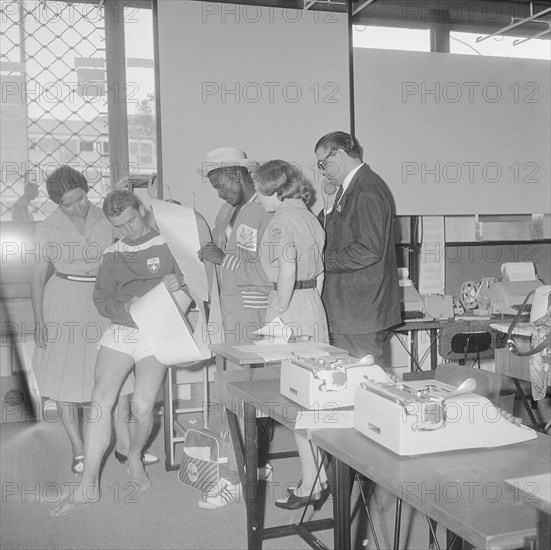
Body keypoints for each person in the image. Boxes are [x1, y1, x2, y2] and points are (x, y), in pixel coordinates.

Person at [51, 189, 183, 516]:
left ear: (141, 210)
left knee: (141, 404)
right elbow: (102, 300)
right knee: (100, 399)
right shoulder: (112, 253)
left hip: (158, 332)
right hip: (125, 328)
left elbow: (196, 280)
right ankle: (88, 485)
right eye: (119, 226)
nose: (128, 230)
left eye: (131, 221)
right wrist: (127, 308)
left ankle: (135, 454)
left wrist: (179, 280)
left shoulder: (169, 242)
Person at [31, 167, 153, 477]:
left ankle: (125, 445)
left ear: (88, 191)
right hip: (62, 300)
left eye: (81, 199)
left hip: (102, 298)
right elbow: (36, 278)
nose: (77, 207)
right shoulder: (47, 227)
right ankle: (78, 448)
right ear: (58, 204)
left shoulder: (104, 217)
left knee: (120, 377)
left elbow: (135, 239)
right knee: (65, 381)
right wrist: (39, 321)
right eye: (68, 204)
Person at [197, 147, 273, 509]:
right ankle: (252, 466)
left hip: (250, 318)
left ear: (239, 174)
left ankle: (231, 479)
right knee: (234, 399)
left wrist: (220, 258)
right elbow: (217, 251)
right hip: (225, 314)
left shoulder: (266, 211)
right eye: (214, 188)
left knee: (234, 399)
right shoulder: (228, 209)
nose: (219, 193)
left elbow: (267, 273)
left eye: (221, 185)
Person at [255, 159, 330, 510]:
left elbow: (286, 267)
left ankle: (310, 482)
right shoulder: (310, 219)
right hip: (313, 305)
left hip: (289, 310)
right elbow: (320, 274)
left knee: (295, 399)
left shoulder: (281, 221)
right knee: (311, 396)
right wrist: (305, 299)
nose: (258, 200)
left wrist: (281, 306)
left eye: (260, 192)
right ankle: (319, 476)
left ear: (274, 190)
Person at [315, 131, 401, 364]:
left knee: (365, 388)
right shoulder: (351, 189)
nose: (322, 171)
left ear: (340, 154)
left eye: (323, 163)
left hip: (358, 314)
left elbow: (368, 250)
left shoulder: (366, 189)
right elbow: (335, 236)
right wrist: (329, 206)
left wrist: (320, 263)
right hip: (352, 313)